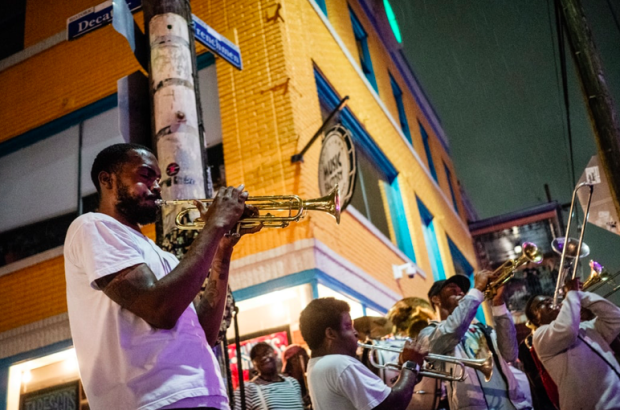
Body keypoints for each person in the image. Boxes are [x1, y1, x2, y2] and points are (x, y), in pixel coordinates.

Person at [64, 143, 260, 410]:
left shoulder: (162, 255)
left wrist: (222, 252)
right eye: (145, 176)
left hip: (206, 394)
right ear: (106, 179)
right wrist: (214, 224)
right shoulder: (92, 227)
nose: (156, 186)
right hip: (153, 401)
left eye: (158, 179)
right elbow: (160, 309)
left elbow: (205, 335)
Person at [418, 273, 532, 410]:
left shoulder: (482, 329)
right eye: (452, 287)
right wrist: (477, 289)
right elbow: (452, 330)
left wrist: (498, 303)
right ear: (436, 299)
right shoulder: (428, 333)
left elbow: (510, 354)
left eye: (462, 289)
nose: (459, 291)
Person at [299, 297, 426, 410]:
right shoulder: (339, 364)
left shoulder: (315, 364)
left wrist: (406, 375)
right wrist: (411, 365)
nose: (356, 333)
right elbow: (393, 405)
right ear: (330, 334)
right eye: (348, 326)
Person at [526, 278, 620, 410]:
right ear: (535, 318)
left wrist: (580, 296)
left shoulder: (585, 327)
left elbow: (616, 318)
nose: (550, 301)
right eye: (542, 303)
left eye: (550, 299)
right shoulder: (540, 336)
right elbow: (567, 330)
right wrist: (571, 295)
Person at [234, 342, 305, 410]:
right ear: (254, 365)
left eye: (266, 352)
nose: (263, 357)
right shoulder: (248, 389)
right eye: (257, 357)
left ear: (275, 354)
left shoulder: (293, 383)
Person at [281, 344, 312, 409]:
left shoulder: (309, 378)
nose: (308, 358)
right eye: (304, 356)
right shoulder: (286, 384)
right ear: (293, 360)